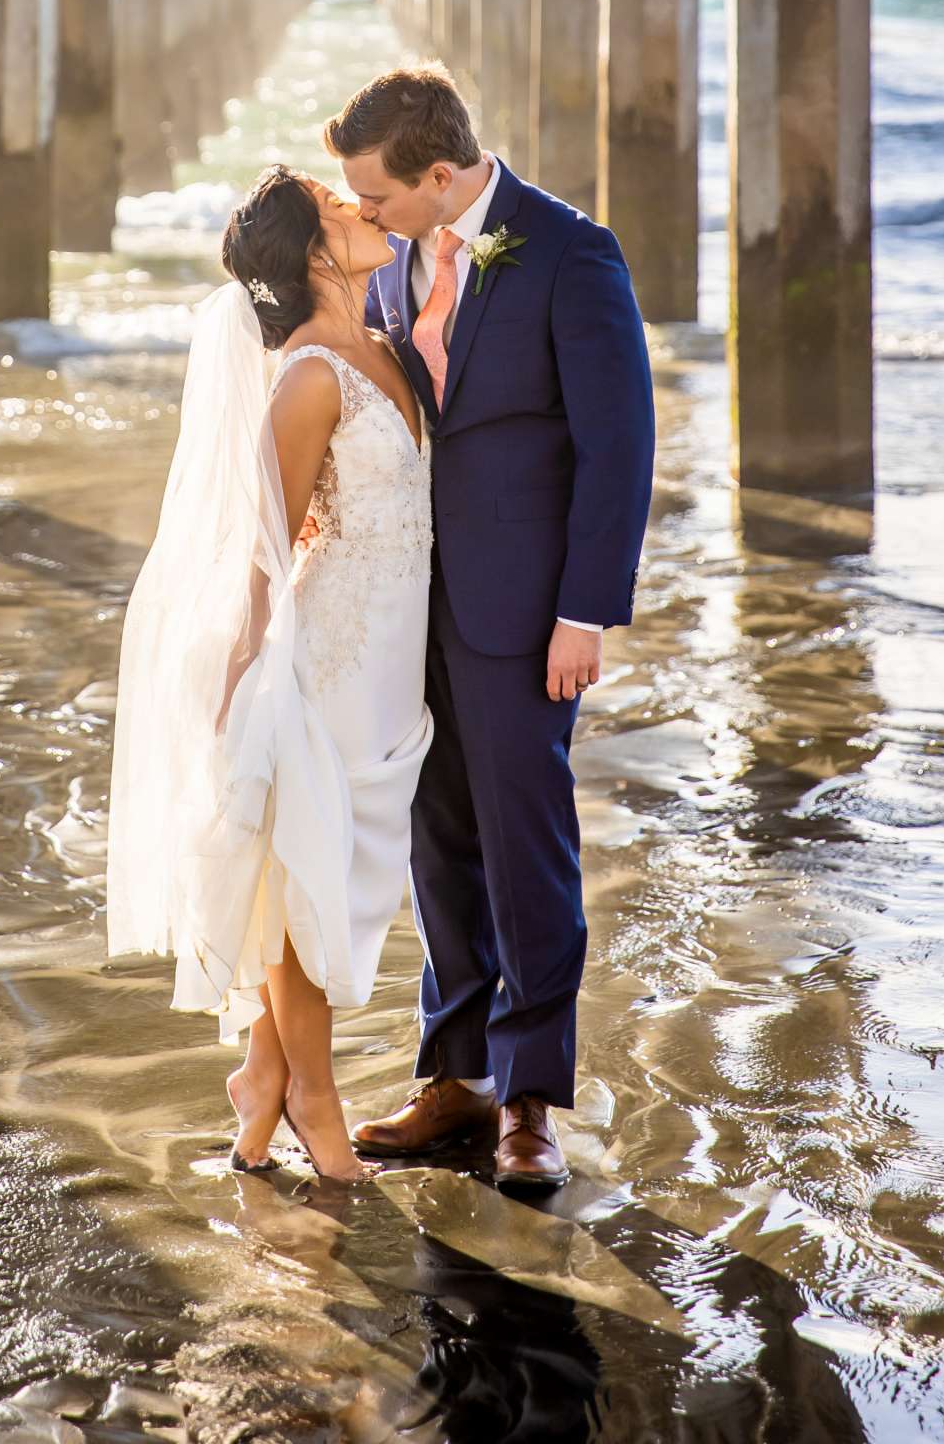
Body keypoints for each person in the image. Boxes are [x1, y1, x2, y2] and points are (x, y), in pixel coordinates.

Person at [324, 65, 655, 1192]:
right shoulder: (389, 263)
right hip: (406, 608)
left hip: (525, 616)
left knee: (527, 851)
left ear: (440, 174)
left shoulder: (570, 250)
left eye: (376, 195)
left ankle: (527, 1102)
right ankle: (452, 1078)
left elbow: (618, 448)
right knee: (437, 842)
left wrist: (584, 613)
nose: (363, 215)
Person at [106, 164, 433, 1184]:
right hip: (327, 652)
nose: (360, 208)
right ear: (309, 254)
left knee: (347, 868)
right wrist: (240, 670)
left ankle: (259, 1083)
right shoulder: (305, 379)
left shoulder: (383, 349)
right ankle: (312, 1098)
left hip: (391, 655)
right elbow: (265, 544)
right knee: (307, 870)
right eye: (337, 208)